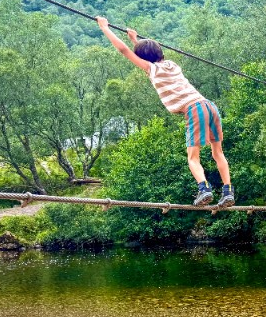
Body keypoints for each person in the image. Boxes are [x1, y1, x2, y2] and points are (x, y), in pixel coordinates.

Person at [96, 17, 234, 207]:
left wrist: (104, 28)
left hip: (194, 109)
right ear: (160, 52)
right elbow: (149, 54)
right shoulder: (172, 65)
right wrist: (135, 40)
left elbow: (124, 51)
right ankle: (227, 191)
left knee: (193, 157)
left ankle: (204, 189)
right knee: (217, 152)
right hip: (210, 106)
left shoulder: (151, 69)